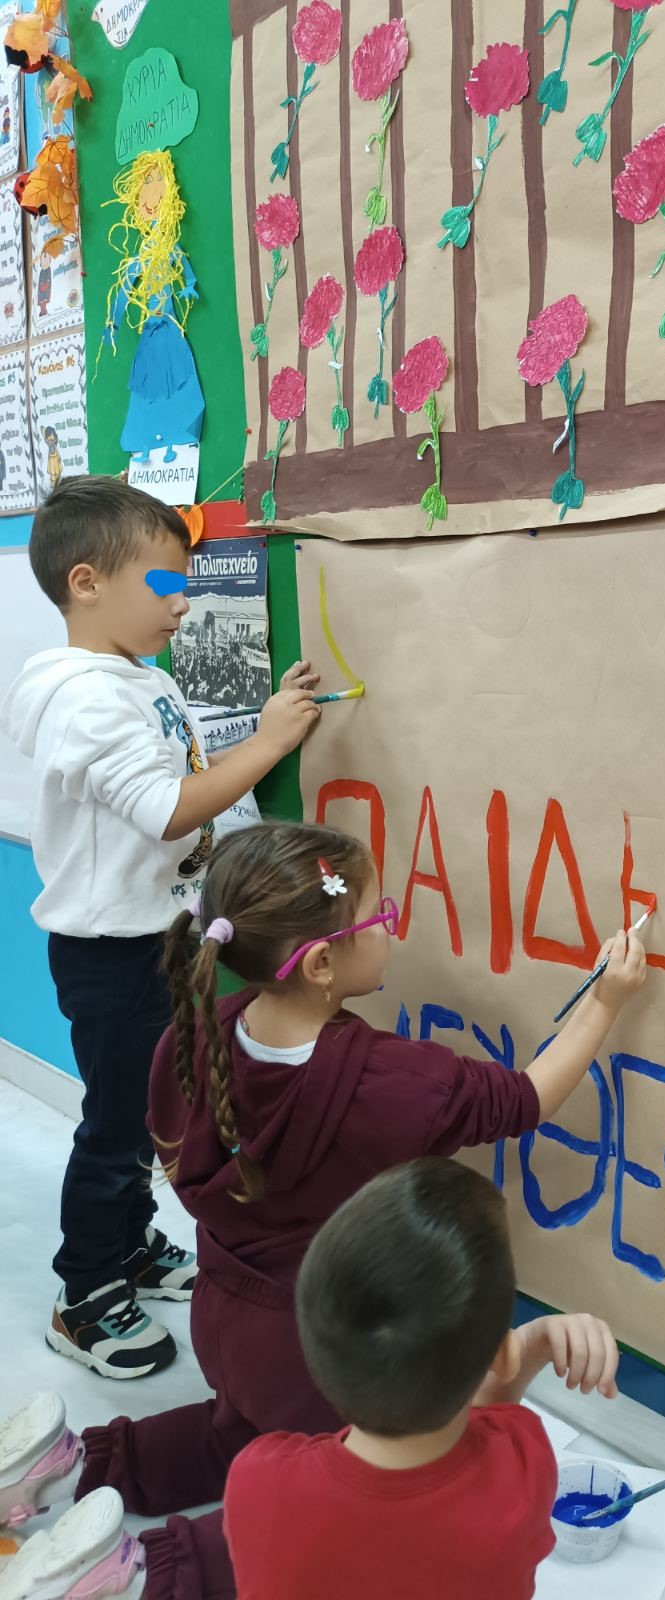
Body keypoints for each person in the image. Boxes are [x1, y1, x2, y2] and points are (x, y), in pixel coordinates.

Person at [0, 819, 646, 1600]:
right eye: (381, 915)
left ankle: (67, 1467)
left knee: (234, 1434)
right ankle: (138, 1574)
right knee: (330, 1510)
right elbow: (528, 1098)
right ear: (320, 963)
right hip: (320, 1348)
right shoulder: (391, 1084)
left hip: (224, 1315)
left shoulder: (196, 1037)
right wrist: (606, 999)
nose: (392, 926)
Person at [0, 477, 322, 1382]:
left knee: (154, 1115)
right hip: (114, 957)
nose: (183, 603)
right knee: (117, 1127)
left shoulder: (137, 678)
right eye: (165, 584)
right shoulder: (85, 697)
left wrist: (257, 733)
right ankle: (85, 1291)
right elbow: (168, 809)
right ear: (88, 582)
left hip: (163, 940)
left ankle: (133, 1247)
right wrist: (269, 742)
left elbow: (176, 776)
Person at [227, 1159, 617, 1598]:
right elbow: (495, 1422)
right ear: (502, 1356)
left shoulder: (257, 1481)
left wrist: (512, 1349)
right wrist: (531, 1348)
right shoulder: (522, 1475)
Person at [102, 151, 204, 465]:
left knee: (176, 380)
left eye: (158, 183)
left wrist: (188, 284)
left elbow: (181, 263)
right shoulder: (144, 253)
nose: (151, 197)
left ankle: (177, 438)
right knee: (147, 387)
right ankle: (145, 442)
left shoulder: (166, 247)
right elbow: (125, 286)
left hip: (168, 325)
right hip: (152, 329)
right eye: (146, 186)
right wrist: (113, 322)